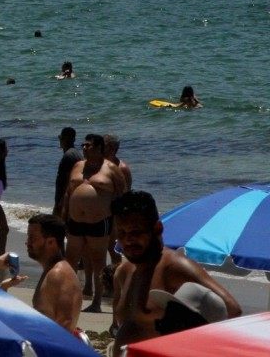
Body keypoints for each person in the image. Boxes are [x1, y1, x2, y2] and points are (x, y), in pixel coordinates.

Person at [111, 191, 240, 348]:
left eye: (135, 232)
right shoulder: (123, 272)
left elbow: (231, 310)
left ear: (157, 228)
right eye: (121, 233)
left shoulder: (174, 266)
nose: (127, 240)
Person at [63, 133, 127, 313]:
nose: (84, 148)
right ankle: (69, 297)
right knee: (71, 260)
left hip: (99, 221)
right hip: (75, 220)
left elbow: (121, 195)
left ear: (99, 148)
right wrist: (63, 214)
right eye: (83, 145)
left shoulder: (111, 169)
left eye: (88, 145)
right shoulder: (77, 166)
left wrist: (120, 224)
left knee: (98, 261)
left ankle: (97, 301)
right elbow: (68, 192)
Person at [26, 214, 82, 335]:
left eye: (32, 238)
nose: (27, 243)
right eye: (28, 237)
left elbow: (65, 322)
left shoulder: (59, 274)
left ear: (51, 242)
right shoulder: (50, 270)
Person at [53, 127, 81, 218]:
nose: (60, 140)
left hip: (65, 201)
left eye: (60, 137)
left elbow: (68, 181)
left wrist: (60, 203)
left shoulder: (68, 156)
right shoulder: (76, 153)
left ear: (62, 139)